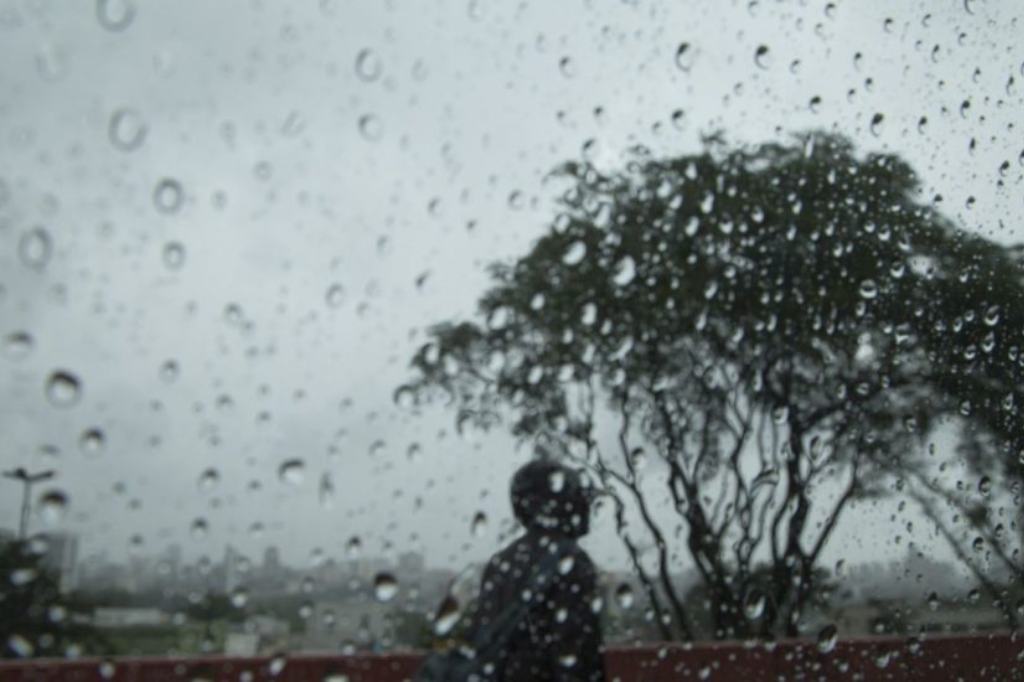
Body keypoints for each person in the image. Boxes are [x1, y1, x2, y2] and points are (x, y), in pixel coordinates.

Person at [468, 459, 606, 681]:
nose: (587, 503)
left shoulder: (499, 563)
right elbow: (577, 658)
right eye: (577, 495)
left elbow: (483, 651)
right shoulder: (572, 562)